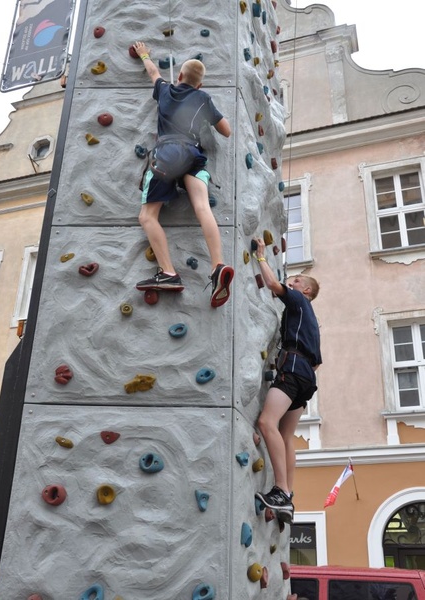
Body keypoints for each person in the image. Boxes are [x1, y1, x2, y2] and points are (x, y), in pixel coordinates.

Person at [132, 41, 234, 308]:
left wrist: (144, 55)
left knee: (147, 216)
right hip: (193, 155)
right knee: (202, 207)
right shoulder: (203, 98)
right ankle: (217, 265)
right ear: (199, 85)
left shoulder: (165, 90)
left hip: (167, 155)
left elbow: (153, 73)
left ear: (179, 77)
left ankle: (168, 273)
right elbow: (226, 131)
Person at [253, 237, 322, 523]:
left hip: (292, 370)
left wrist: (260, 258)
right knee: (285, 435)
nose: (289, 282)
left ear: (305, 290)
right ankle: (288, 496)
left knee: (266, 422)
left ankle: (281, 490)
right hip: (307, 379)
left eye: (294, 280)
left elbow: (272, 285)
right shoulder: (313, 322)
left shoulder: (298, 302)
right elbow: (317, 363)